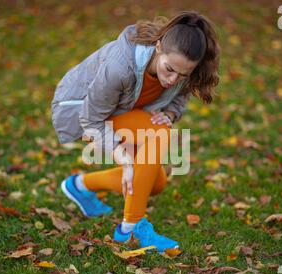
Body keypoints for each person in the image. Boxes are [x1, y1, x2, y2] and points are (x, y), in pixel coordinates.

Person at [51, 10, 220, 253]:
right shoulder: (120, 67)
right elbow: (91, 118)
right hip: (80, 111)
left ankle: (80, 186)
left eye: (184, 74)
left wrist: (171, 114)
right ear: (159, 47)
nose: (173, 79)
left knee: (155, 183)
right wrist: (123, 158)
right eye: (169, 69)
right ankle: (130, 229)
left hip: (122, 112)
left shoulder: (180, 71)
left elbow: (179, 97)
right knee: (158, 134)